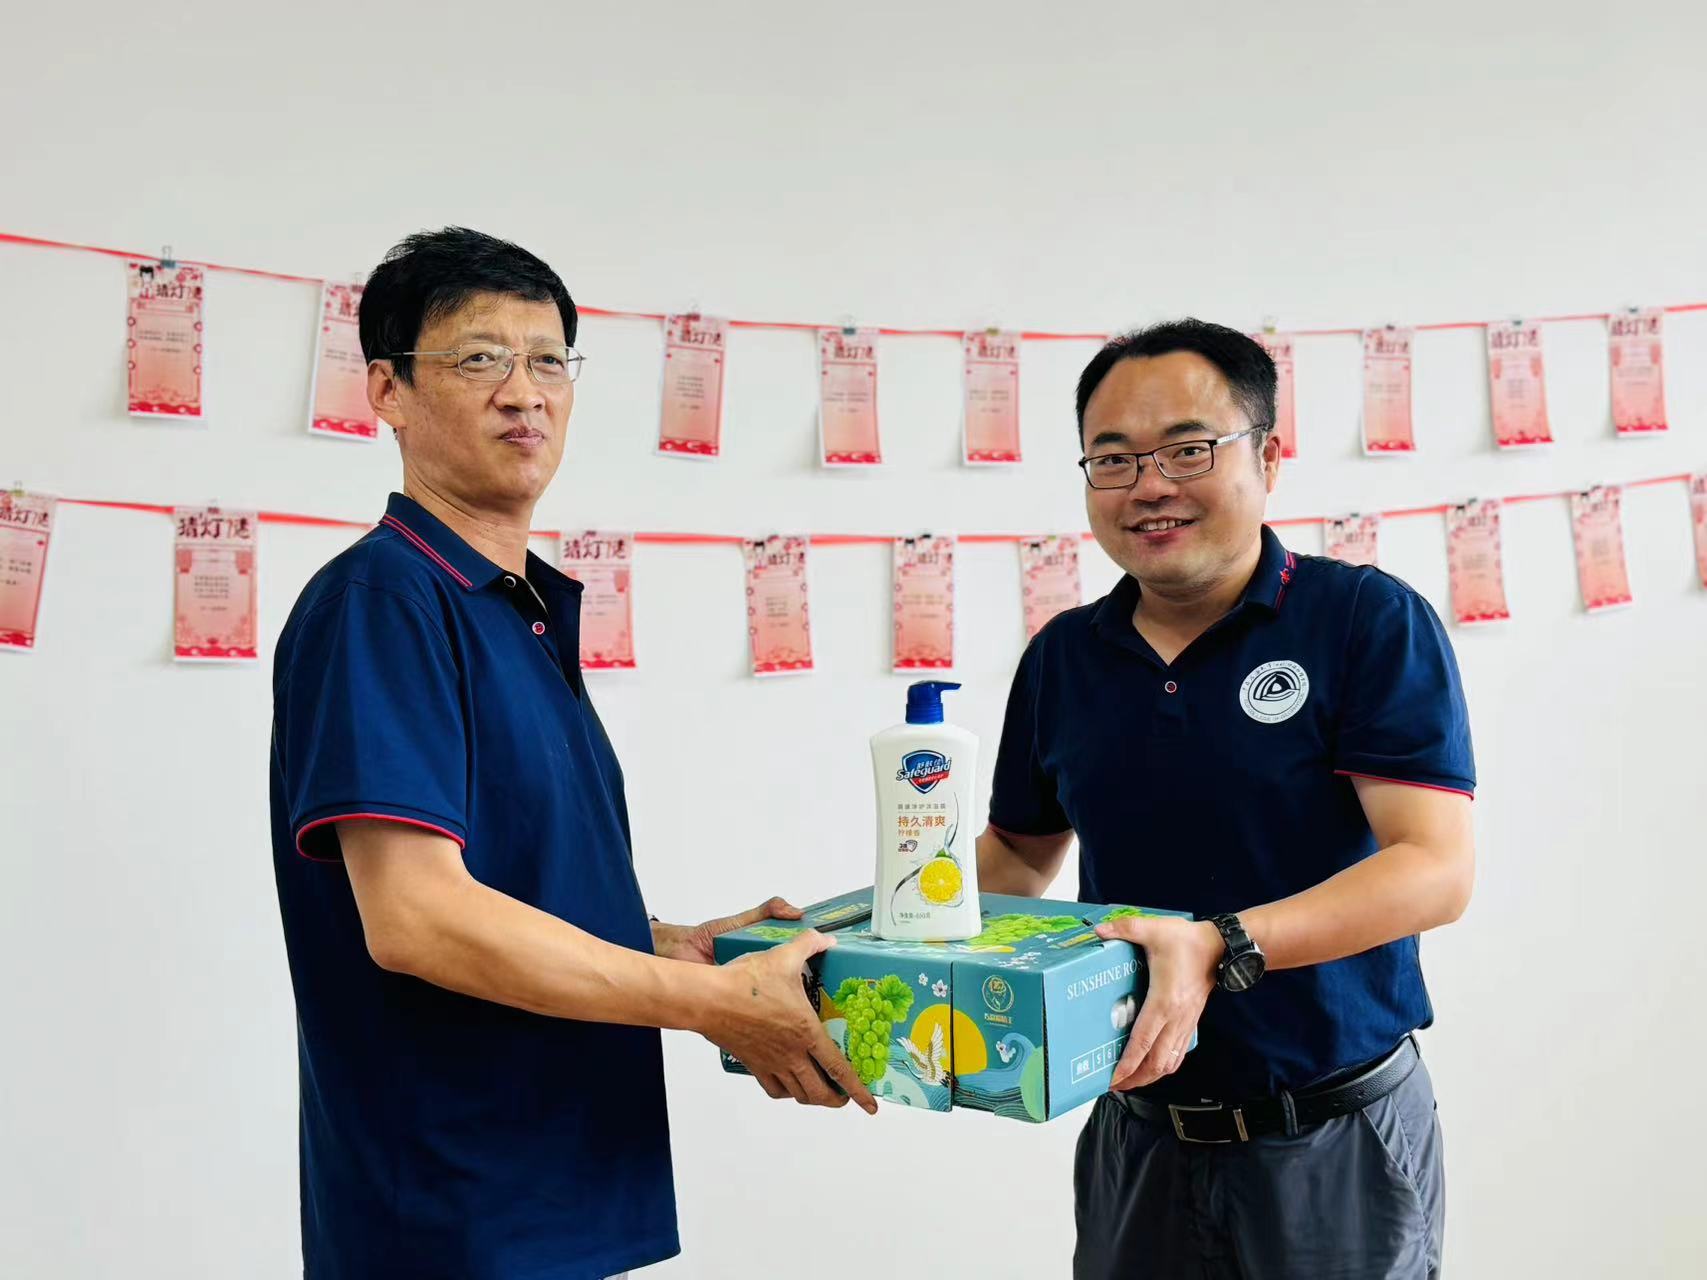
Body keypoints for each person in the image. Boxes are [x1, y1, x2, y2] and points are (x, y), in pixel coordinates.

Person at [269, 226, 873, 1280]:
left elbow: (506, 884)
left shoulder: (515, 609)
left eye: (549, 360)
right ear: (388, 390)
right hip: (454, 1211)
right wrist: (716, 1006)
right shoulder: (384, 600)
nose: (525, 394)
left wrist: (670, 944)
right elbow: (416, 919)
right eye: (479, 358)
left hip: (558, 1182)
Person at [976, 319, 1475, 1279]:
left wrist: (1219, 945)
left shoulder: (1362, 619)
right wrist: (861, 936)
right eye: (1113, 459)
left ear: (1268, 458)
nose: (1148, 486)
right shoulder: (1063, 658)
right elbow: (1014, 862)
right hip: (1137, 1136)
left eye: (1187, 449)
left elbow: (1434, 869)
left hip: (1332, 1135)